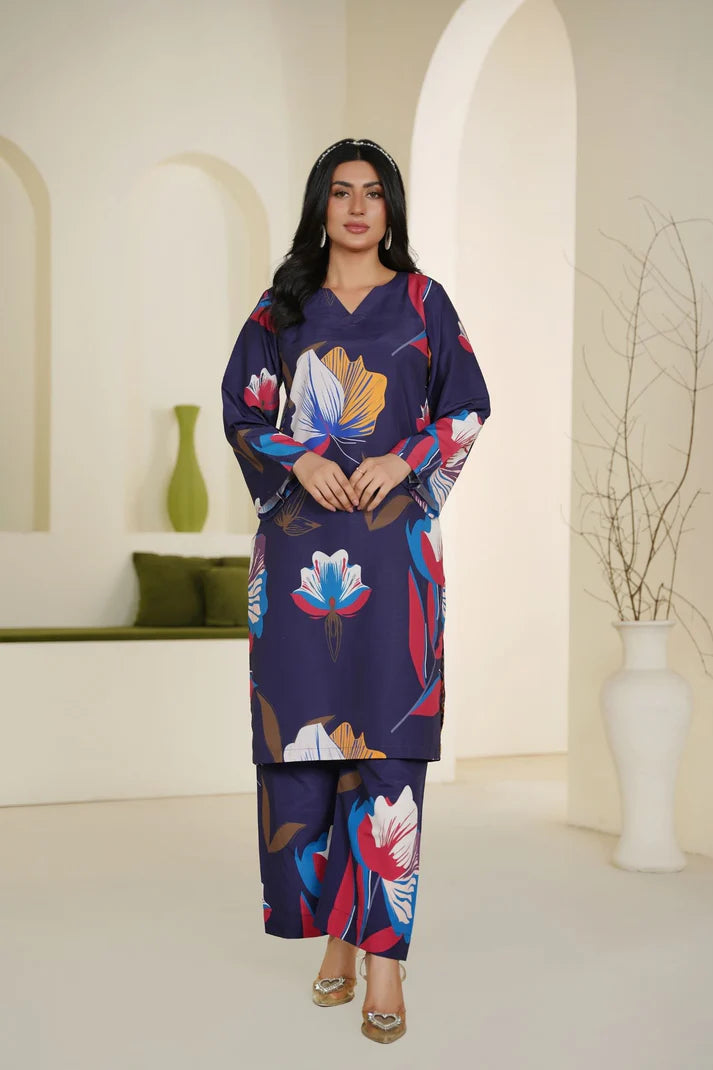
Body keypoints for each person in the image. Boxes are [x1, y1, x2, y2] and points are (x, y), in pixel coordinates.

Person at [221, 137, 491, 1043]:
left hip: (393, 555)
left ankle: (382, 961)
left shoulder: (423, 301)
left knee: (388, 745)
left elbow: (465, 407)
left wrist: (403, 458)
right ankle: (337, 933)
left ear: (390, 208)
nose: (357, 207)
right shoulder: (281, 306)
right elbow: (242, 411)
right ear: (321, 205)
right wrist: (298, 459)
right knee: (304, 747)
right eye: (341, 192)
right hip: (298, 552)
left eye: (372, 193)